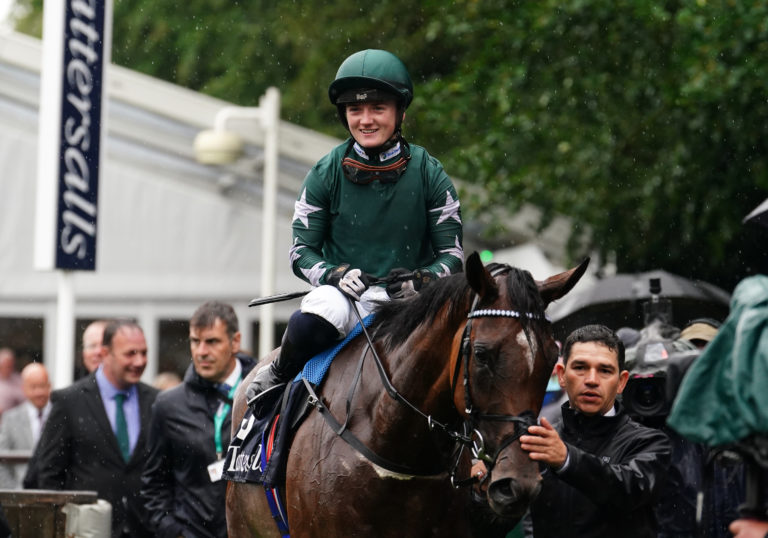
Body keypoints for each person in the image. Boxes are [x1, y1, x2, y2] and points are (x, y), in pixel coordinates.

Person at [245, 49, 464, 412]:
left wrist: (422, 281)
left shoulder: (430, 173)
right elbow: (300, 251)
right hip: (346, 300)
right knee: (319, 313)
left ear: (401, 112)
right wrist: (336, 273)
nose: (365, 120)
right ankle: (278, 377)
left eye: (378, 108)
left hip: (410, 304)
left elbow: (453, 256)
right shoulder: (324, 172)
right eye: (355, 110)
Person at [521, 324, 672, 538]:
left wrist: (567, 460)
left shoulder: (651, 442)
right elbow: (523, 517)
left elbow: (628, 490)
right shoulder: (542, 443)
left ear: (621, 382)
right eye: (580, 367)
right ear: (562, 375)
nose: (591, 380)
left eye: (605, 370)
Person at [141, 301, 256, 538]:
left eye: (212, 341)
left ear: (235, 342)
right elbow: (153, 486)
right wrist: (175, 533)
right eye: (195, 341)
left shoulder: (265, 396)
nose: (201, 351)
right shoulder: (168, 405)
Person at [32, 319, 157, 537]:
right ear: (105, 353)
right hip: (87, 531)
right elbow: (49, 475)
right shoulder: (69, 401)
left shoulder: (157, 402)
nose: (140, 361)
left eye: (144, 353)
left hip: (145, 530)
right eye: (130, 353)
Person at [0, 362, 51, 488]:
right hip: (19, 494)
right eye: (33, 387)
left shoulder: (61, 416)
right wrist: (14, 492)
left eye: (42, 386)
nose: (39, 392)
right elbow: (2, 461)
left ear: (50, 386)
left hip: (54, 494)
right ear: (24, 389)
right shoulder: (10, 419)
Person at [0, 348, 24, 415]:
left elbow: (25, 399)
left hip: (14, 417)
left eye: (9, 365)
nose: (7, 368)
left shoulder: (19, 380)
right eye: (4, 365)